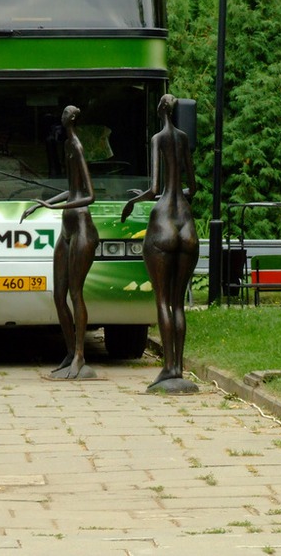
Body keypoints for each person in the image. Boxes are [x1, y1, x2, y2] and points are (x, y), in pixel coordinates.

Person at [120, 94, 200, 393]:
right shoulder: (182, 138)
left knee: (163, 301)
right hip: (186, 223)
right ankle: (179, 366)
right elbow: (193, 186)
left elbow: (155, 187)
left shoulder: (158, 138)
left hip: (164, 219)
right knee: (179, 303)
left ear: (160, 111)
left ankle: (167, 368)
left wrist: (133, 200)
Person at [22, 105, 99, 379]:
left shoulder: (76, 145)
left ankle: (80, 354)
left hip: (82, 228)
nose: (62, 116)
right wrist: (42, 205)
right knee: (58, 295)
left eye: (66, 113)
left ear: (73, 118)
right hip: (67, 229)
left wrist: (55, 209)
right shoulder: (66, 143)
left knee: (75, 293)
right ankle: (70, 351)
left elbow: (89, 194)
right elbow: (72, 187)